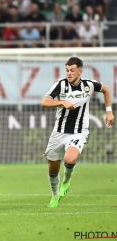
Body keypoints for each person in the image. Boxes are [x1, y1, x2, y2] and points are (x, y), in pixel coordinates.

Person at [41, 57, 114, 208]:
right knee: (53, 168)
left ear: (80, 71)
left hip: (79, 132)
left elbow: (106, 89)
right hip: (59, 132)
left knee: (69, 159)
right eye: (67, 70)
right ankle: (55, 195)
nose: (69, 73)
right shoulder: (60, 85)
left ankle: (66, 182)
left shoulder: (89, 85)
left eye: (72, 70)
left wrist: (109, 111)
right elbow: (45, 101)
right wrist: (62, 102)